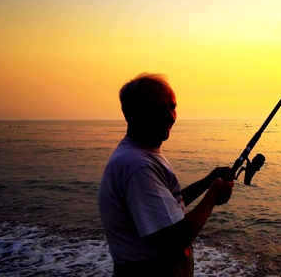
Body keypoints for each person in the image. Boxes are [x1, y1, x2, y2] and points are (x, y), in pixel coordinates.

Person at [98, 73, 234, 276]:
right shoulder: (137, 165)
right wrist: (212, 196)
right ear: (134, 113)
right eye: (159, 109)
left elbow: (169, 206)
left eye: (172, 107)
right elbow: (175, 239)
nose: (170, 116)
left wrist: (207, 182)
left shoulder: (142, 153)